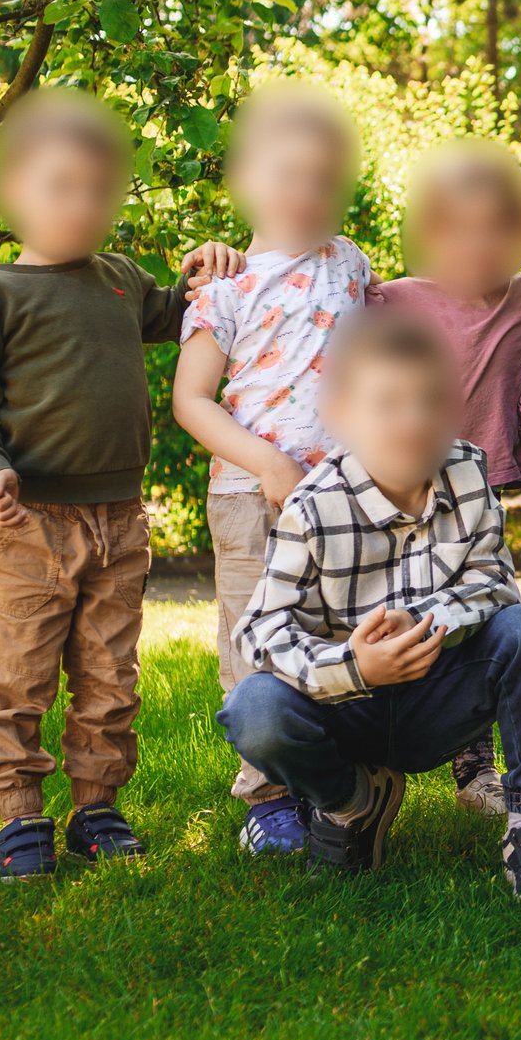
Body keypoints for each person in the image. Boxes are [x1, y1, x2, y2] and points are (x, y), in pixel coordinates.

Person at [0, 89, 241, 879]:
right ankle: (19, 816)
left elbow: (183, 314)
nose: (83, 205)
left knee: (110, 673)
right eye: (60, 187)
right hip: (28, 520)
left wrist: (205, 269)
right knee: (19, 674)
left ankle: (97, 807)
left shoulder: (117, 278)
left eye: (99, 192)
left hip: (117, 518)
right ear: (12, 195)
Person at [216, 311, 521, 899]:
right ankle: (351, 803)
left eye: (430, 401)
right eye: (388, 403)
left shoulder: (467, 473)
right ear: (341, 415)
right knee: (253, 707)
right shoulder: (313, 507)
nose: (413, 420)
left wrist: (425, 621)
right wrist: (355, 667)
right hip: (347, 709)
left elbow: (494, 580)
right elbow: (260, 631)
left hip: (441, 697)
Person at [173, 83, 373, 859]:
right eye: (288, 176)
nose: (307, 193)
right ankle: (268, 795)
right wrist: (267, 460)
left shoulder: (352, 262)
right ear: (246, 181)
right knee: (257, 640)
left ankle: (336, 784)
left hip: (344, 497)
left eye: (325, 180)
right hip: (250, 496)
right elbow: (192, 400)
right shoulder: (223, 286)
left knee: (335, 635)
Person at [368, 139, 521, 820]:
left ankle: (478, 768)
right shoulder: (391, 300)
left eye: (498, 228)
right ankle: (371, 751)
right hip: (400, 495)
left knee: (486, 615)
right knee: (404, 615)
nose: (480, 244)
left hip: (476, 497)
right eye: (461, 229)